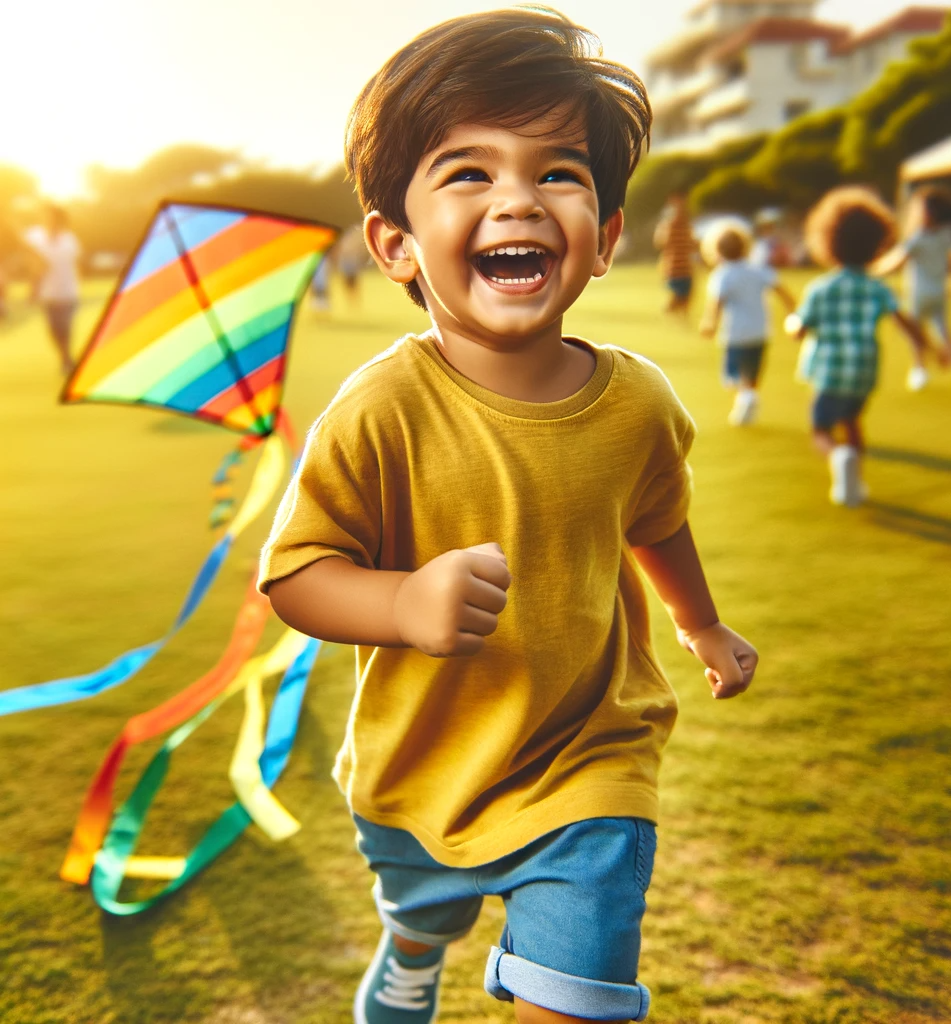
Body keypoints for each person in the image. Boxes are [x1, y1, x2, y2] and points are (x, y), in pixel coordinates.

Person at [258, 9, 758, 1024]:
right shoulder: (379, 408)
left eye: (559, 172)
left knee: (580, 992)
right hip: (423, 768)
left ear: (607, 235)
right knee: (426, 910)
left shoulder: (639, 402)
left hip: (592, 757)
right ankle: (412, 941)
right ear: (395, 243)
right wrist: (402, 604)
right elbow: (296, 575)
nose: (518, 200)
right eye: (469, 172)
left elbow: (655, 519)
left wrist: (698, 623)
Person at [786, 186, 927, 508]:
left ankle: (838, 459)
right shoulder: (877, 287)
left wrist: (791, 325)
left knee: (820, 430)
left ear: (828, 240)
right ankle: (856, 478)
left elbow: (799, 329)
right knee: (851, 421)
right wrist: (928, 347)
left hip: (829, 373)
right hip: (864, 373)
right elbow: (904, 322)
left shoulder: (821, 288)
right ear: (878, 242)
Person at [872, 185, 951, 399]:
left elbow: (896, 261)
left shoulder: (918, 238)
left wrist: (872, 270)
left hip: (919, 294)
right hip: (939, 292)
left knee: (915, 334)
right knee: (945, 334)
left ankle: (919, 369)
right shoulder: (947, 234)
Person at [698, 219, 794, 426]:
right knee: (752, 373)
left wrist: (710, 324)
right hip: (760, 331)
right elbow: (782, 291)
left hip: (735, 334)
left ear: (716, 250)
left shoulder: (722, 275)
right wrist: (791, 312)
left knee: (732, 377)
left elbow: (717, 303)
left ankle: (746, 398)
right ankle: (749, 399)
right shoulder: (757, 270)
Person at [24, 204, 80, 374]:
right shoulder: (34, 236)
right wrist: (34, 288)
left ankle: (66, 358)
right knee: (53, 329)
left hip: (68, 291)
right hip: (47, 293)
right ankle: (64, 356)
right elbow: (32, 263)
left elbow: (73, 263)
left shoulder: (69, 239)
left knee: (65, 327)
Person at [652, 190, 695, 318]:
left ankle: (682, 321)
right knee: (676, 298)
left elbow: (692, 244)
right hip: (673, 267)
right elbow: (660, 243)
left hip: (686, 267)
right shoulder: (668, 224)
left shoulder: (687, 223)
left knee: (686, 298)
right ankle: (669, 316)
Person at [338, 222, 369, 303]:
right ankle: (351, 297)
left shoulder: (349, 240)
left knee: (352, 282)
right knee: (348, 282)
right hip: (347, 263)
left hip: (350, 263)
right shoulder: (349, 240)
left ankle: (353, 298)